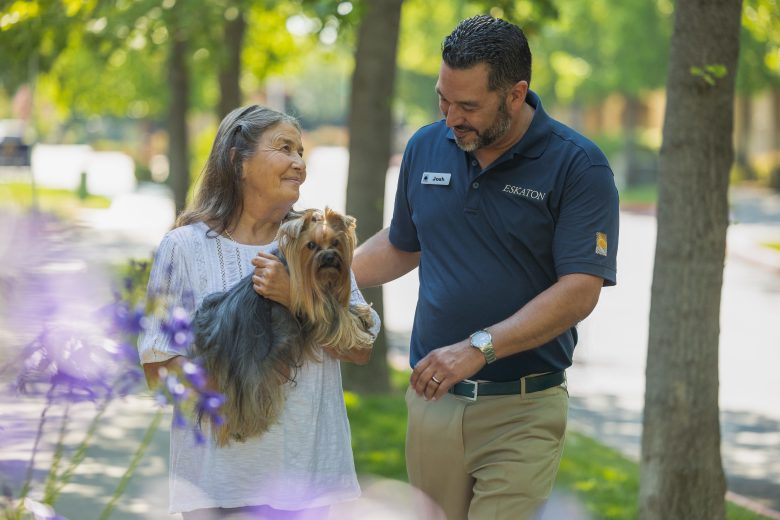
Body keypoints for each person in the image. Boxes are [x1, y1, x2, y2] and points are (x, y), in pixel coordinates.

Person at [352, 15, 619, 520]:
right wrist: (322, 275)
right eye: (443, 100)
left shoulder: (579, 166)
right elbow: (403, 244)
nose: (451, 117)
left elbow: (581, 289)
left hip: (523, 410)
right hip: (431, 402)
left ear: (516, 95)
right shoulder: (425, 146)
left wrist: (480, 348)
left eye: (468, 106)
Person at [138, 105, 379, 520]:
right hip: (217, 485)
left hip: (309, 480)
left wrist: (296, 297)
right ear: (238, 161)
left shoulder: (314, 243)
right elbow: (157, 369)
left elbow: (360, 349)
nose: (299, 163)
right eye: (284, 148)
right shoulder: (184, 247)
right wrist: (239, 372)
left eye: (301, 152)